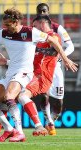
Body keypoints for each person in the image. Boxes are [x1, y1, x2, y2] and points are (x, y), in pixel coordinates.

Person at [0, 8, 77, 142]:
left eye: (8, 24)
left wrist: (66, 59)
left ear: (16, 22)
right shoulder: (4, 33)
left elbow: (54, 41)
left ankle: (22, 132)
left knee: (9, 97)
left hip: (25, 73)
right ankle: (9, 128)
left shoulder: (30, 32)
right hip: (11, 73)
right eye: (5, 25)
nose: (6, 27)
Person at [36, 3, 75, 135]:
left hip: (55, 67)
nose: (42, 12)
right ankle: (50, 123)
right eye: (40, 11)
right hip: (40, 67)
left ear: (48, 12)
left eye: (44, 10)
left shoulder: (57, 28)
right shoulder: (33, 28)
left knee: (58, 101)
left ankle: (52, 120)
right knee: (43, 95)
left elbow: (70, 46)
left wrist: (61, 56)